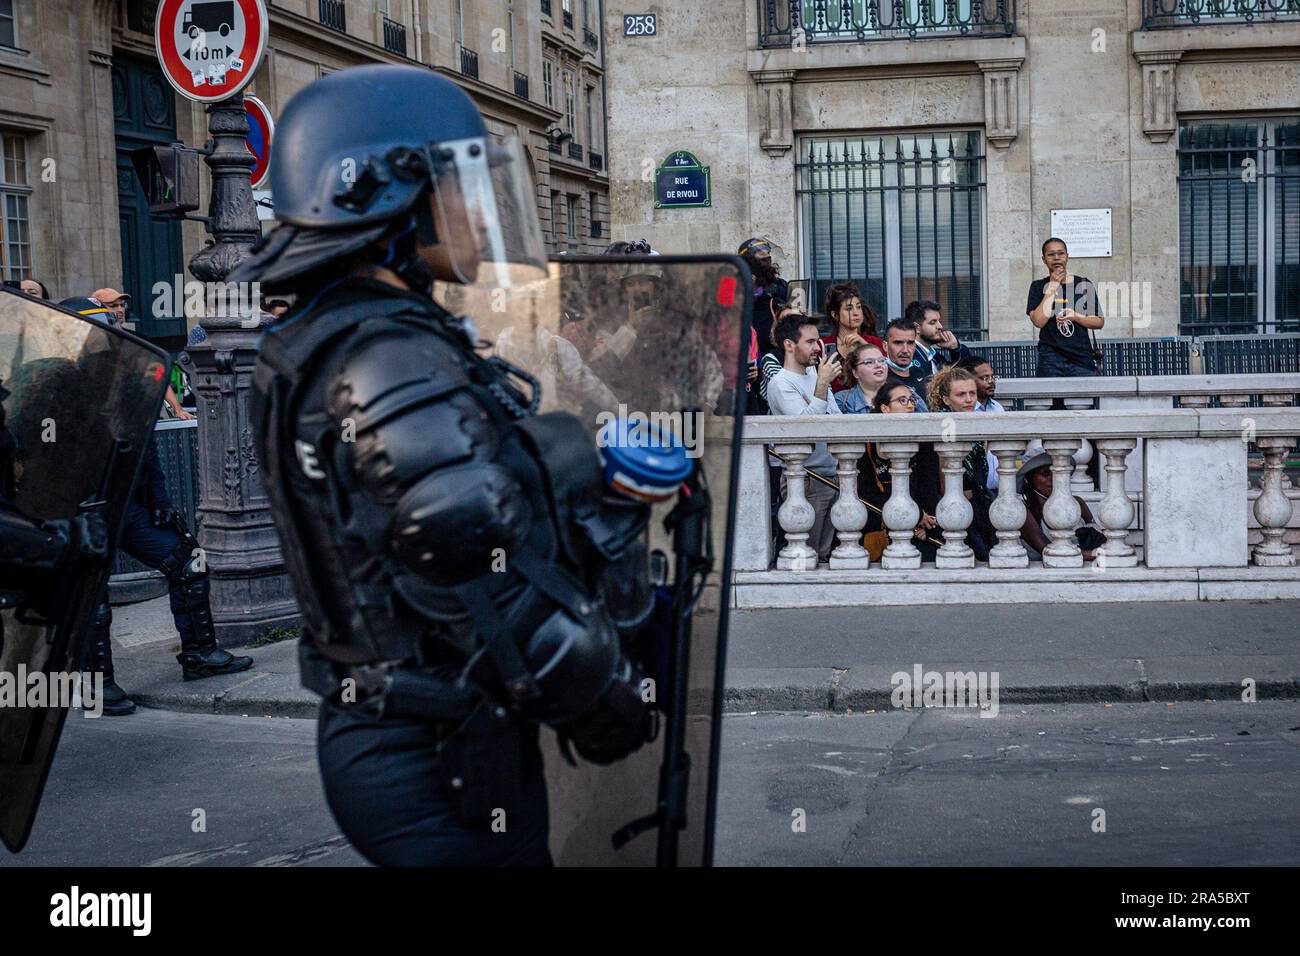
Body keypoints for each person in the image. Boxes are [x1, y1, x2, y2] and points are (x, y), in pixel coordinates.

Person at [229, 65, 656, 866]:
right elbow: (473, 565)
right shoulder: (383, 354)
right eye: (462, 185)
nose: (484, 219)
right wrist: (609, 700)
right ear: (391, 195)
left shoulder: (347, 333)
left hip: (427, 733)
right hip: (430, 750)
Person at [56, 297, 253, 717]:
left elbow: (143, 448)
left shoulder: (123, 381)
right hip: (79, 508)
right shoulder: (54, 381)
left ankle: (200, 654)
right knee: (93, 595)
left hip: (127, 506)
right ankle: (98, 684)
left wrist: (159, 498)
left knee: (188, 563)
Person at [765, 311, 843, 564]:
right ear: (789, 345)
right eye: (810, 342)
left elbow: (836, 418)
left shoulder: (814, 375)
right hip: (807, 478)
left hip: (832, 472)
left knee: (823, 554)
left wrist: (819, 389)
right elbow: (806, 427)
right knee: (806, 554)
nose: (817, 348)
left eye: (818, 341)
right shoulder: (780, 382)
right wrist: (822, 387)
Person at [90, 288, 194, 420]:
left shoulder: (138, 340)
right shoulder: (90, 344)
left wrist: (177, 409)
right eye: (113, 306)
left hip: (137, 414)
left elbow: (158, 375)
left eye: (122, 305)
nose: (120, 310)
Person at [927, 365, 994, 560]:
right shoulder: (943, 426)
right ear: (946, 400)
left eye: (972, 393)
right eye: (961, 394)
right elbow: (943, 478)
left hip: (981, 498)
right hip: (958, 503)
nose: (969, 399)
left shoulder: (978, 422)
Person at [865, 382, 939, 557]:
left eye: (911, 400)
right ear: (885, 408)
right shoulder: (867, 444)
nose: (910, 405)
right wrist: (914, 516)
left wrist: (925, 521)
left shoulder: (924, 442)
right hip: (880, 521)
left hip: (920, 522)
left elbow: (928, 487)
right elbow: (866, 491)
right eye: (902, 400)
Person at [1027, 238, 1105, 378]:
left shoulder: (1083, 284)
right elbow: (1038, 321)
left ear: (1067, 256)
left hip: (1081, 359)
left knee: (1083, 399)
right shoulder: (1038, 286)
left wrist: (1076, 316)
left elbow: (1099, 322)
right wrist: (1052, 286)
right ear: (1044, 259)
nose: (1056, 258)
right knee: (1051, 399)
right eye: (1051, 254)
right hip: (1050, 360)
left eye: (1060, 253)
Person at [1016, 452, 1104, 561]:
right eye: (1045, 473)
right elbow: (1050, 551)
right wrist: (1095, 554)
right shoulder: (1024, 512)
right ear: (1029, 478)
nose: (1053, 478)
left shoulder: (1077, 503)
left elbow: (1098, 538)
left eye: (1056, 473)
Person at [822, 283, 884, 394]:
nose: (856, 313)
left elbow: (884, 377)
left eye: (859, 307)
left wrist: (865, 347)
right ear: (835, 314)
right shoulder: (824, 344)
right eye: (849, 309)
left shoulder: (874, 342)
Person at [739, 237, 789, 368]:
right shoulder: (734, 283)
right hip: (750, 349)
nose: (766, 256)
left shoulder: (779, 284)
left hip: (776, 349)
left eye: (767, 254)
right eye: (760, 254)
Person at [957, 355, 1003, 492]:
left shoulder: (997, 408)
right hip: (974, 490)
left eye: (993, 376)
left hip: (1000, 487)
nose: (991, 381)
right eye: (984, 378)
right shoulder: (965, 410)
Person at [906, 299, 972, 377]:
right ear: (916, 328)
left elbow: (963, 374)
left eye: (939, 321)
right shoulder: (908, 355)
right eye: (933, 322)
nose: (940, 326)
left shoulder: (933, 355)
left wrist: (956, 348)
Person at [882, 317, 931, 412]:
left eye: (910, 343)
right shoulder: (879, 378)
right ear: (885, 346)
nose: (905, 350)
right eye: (898, 343)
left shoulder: (922, 373)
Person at [836, 342, 888, 414]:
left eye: (882, 360)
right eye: (869, 362)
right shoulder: (842, 401)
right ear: (855, 372)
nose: (879, 365)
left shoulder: (903, 393)